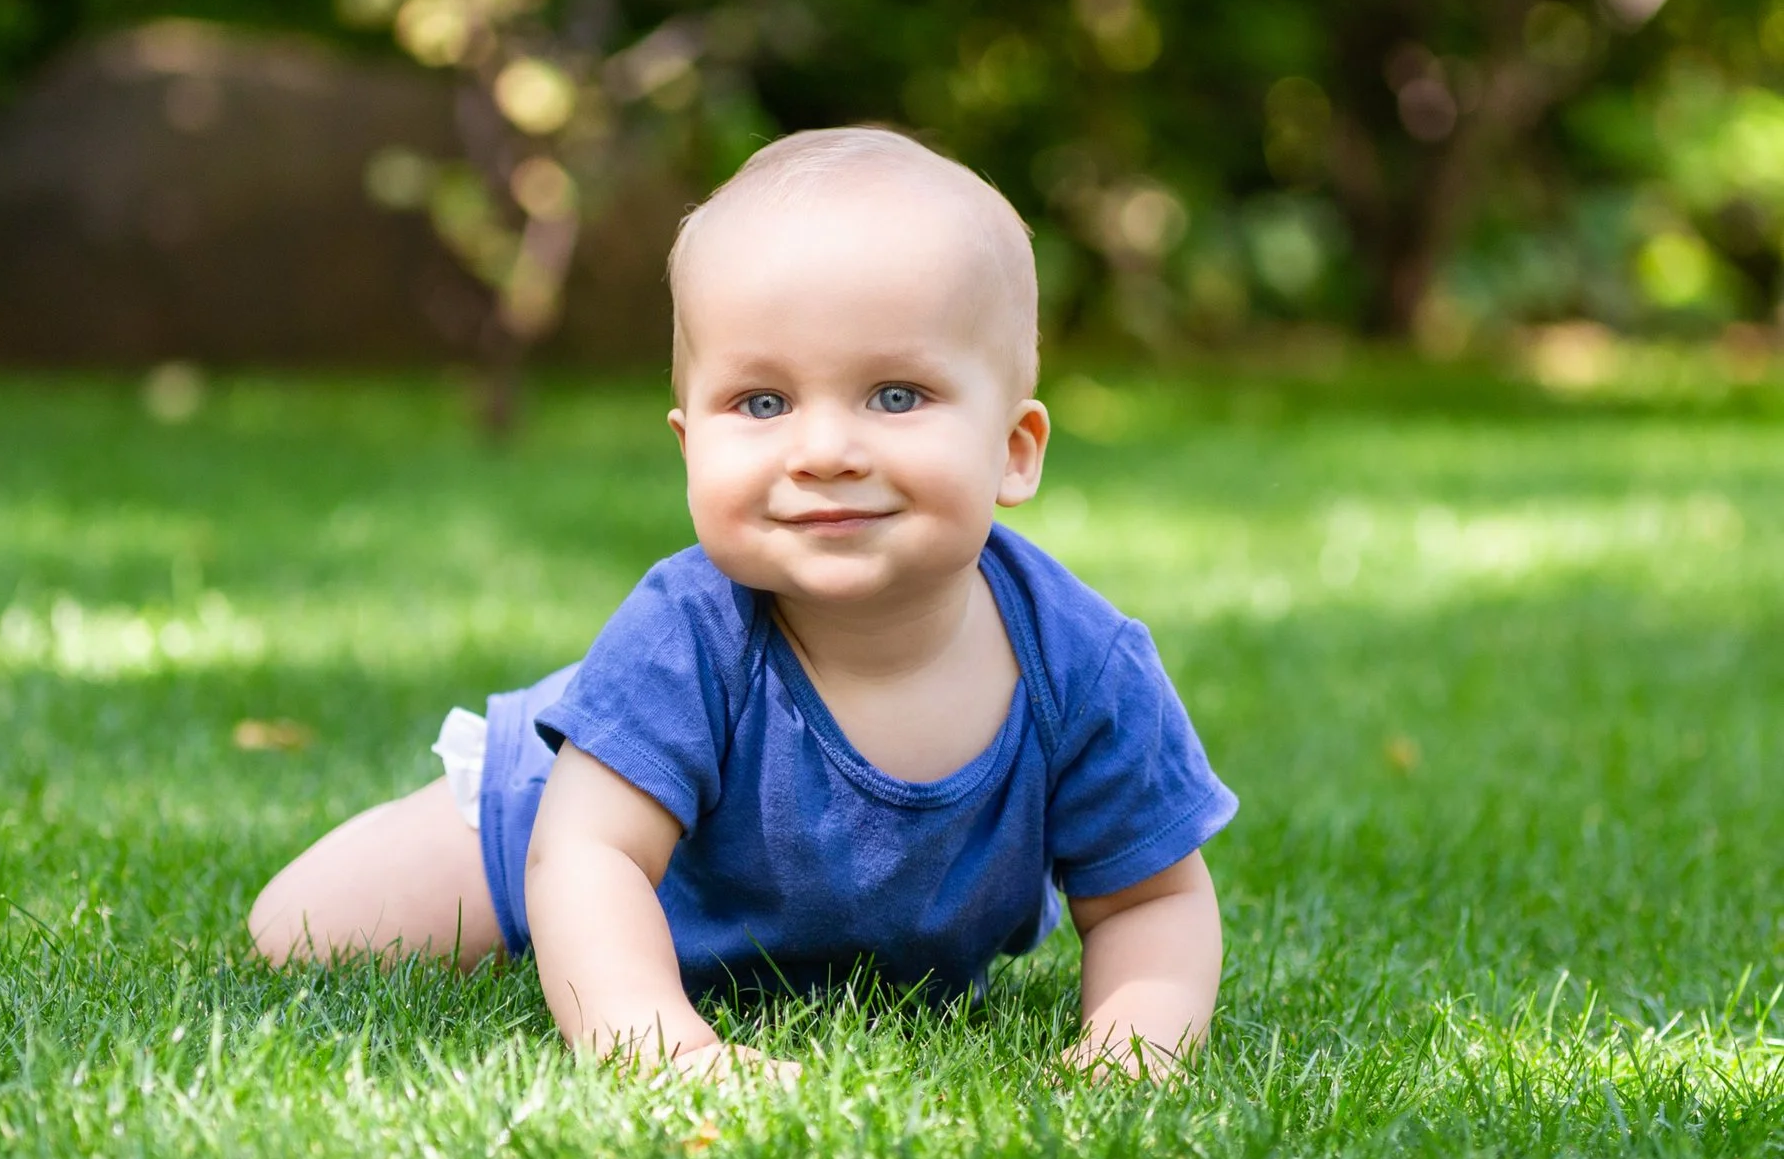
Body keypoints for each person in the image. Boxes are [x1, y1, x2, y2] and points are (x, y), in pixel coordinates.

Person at [247, 127, 1236, 1081]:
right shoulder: (688, 627)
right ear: (691, 445)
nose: (822, 450)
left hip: (757, 901)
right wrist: (661, 1046)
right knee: (303, 933)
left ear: (1013, 449)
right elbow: (588, 855)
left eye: (894, 395)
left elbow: (1151, 901)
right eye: (761, 403)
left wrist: (1132, 1049)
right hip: (555, 821)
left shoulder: (1082, 665)